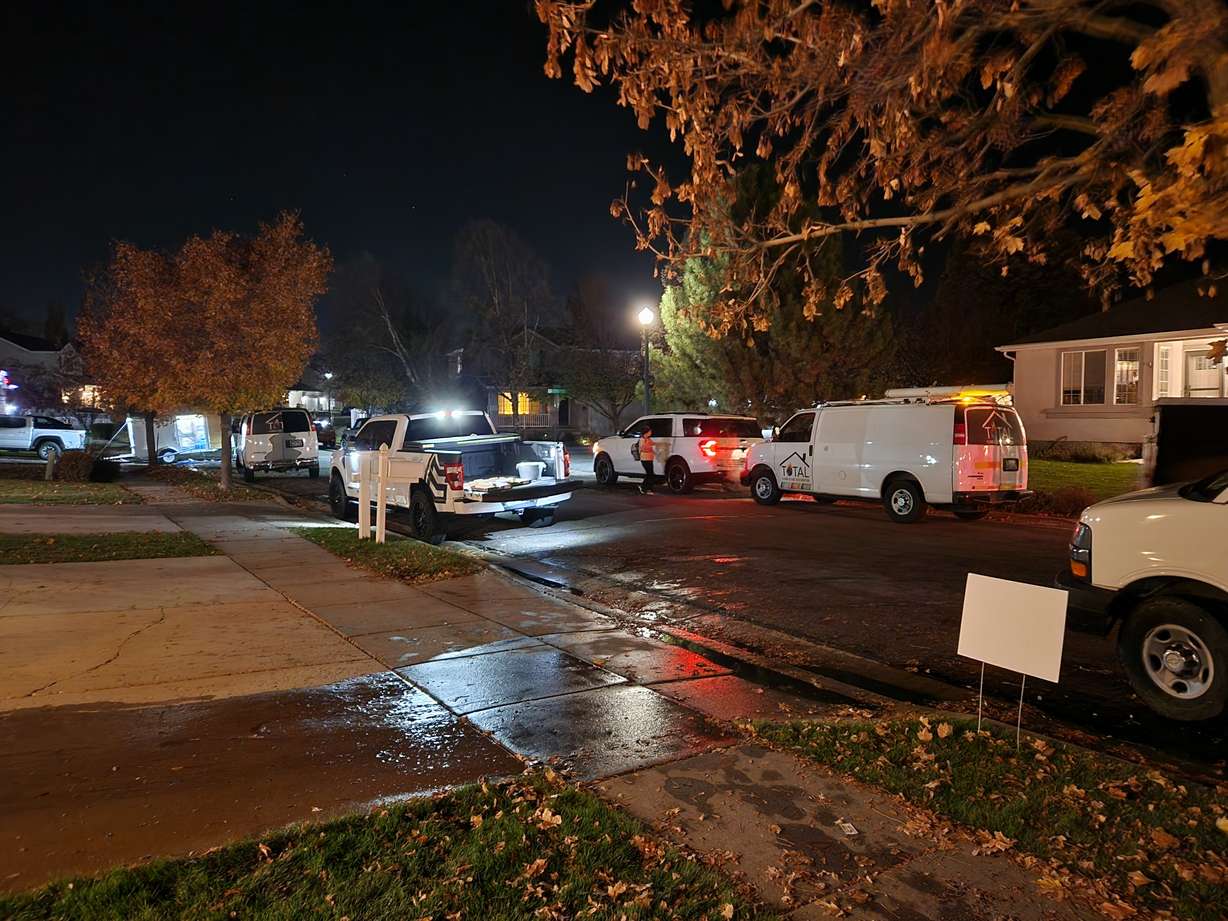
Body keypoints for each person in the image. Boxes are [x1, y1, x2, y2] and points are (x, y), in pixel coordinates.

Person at [638, 425, 658, 494]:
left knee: (650, 474)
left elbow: (653, 444)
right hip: (644, 459)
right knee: (650, 474)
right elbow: (643, 448)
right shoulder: (642, 440)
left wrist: (661, 444)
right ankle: (644, 488)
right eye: (650, 431)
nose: (651, 433)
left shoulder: (648, 439)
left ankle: (648, 488)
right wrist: (651, 448)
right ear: (646, 432)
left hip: (649, 459)